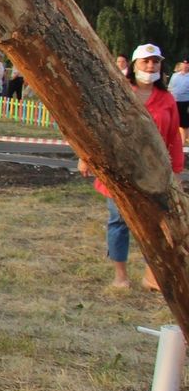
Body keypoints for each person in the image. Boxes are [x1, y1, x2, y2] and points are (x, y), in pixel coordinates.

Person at [78, 43, 183, 291]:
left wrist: (176, 172)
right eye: (145, 62)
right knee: (119, 221)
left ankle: (151, 274)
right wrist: (86, 155)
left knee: (158, 225)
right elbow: (98, 127)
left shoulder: (167, 99)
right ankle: (121, 275)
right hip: (119, 170)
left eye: (155, 62)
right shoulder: (119, 93)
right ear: (134, 66)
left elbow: (173, 138)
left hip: (154, 173)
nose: (150, 66)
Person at [168, 59, 189, 143]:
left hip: (186, 102)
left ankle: (183, 142)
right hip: (174, 101)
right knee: (173, 121)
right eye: (184, 63)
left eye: (187, 64)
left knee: (184, 123)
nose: (185, 65)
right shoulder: (175, 75)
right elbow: (170, 87)